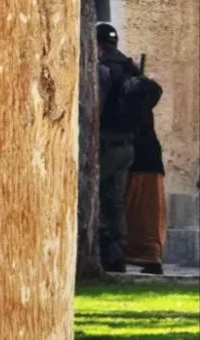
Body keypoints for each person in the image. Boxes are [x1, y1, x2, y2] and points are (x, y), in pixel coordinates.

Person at [96, 23, 160, 273]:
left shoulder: (102, 68)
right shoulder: (130, 67)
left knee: (87, 196)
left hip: (105, 146)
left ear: (97, 44)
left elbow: (97, 108)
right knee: (115, 203)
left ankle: (105, 251)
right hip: (127, 146)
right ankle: (117, 255)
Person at [124, 108, 166, 275]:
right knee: (147, 214)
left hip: (140, 164)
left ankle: (149, 256)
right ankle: (150, 256)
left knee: (143, 214)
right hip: (145, 162)